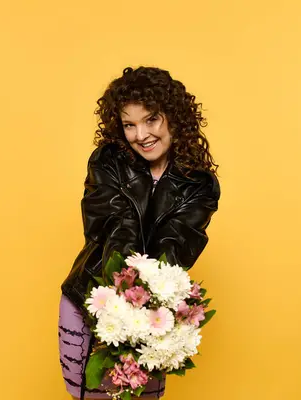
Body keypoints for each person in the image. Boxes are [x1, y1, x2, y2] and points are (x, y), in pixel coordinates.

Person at [58, 66, 221, 400]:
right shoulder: (108, 161)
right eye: (129, 124)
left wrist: (143, 311)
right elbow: (110, 227)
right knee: (86, 397)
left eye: (151, 120)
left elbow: (176, 245)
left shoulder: (199, 184)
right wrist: (122, 299)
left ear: (174, 117)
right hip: (89, 297)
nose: (140, 134)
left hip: (153, 315)